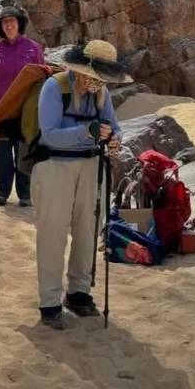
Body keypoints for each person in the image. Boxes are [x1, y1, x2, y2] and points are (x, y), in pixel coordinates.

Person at [32, 40, 128, 330]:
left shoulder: (102, 95)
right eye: (94, 75)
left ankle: (79, 293)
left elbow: (115, 125)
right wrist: (86, 132)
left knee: (88, 230)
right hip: (54, 167)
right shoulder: (54, 88)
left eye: (102, 78)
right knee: (53, 234)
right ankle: (49, 303)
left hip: (91, 168)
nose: (97, 82)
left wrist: (114, 139)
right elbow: (49, 135)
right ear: (80, 70)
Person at [0, 6, 45, 208]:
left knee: (24, 152)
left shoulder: (33, 48)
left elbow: (44, 78)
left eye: (12, 21)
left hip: (25, 112)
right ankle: (2, 191)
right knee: (2, 154)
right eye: (5, 22)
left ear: (19, 23)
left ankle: (25, 194)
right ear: (1, 26)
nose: (8, 25)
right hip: (0, 111)